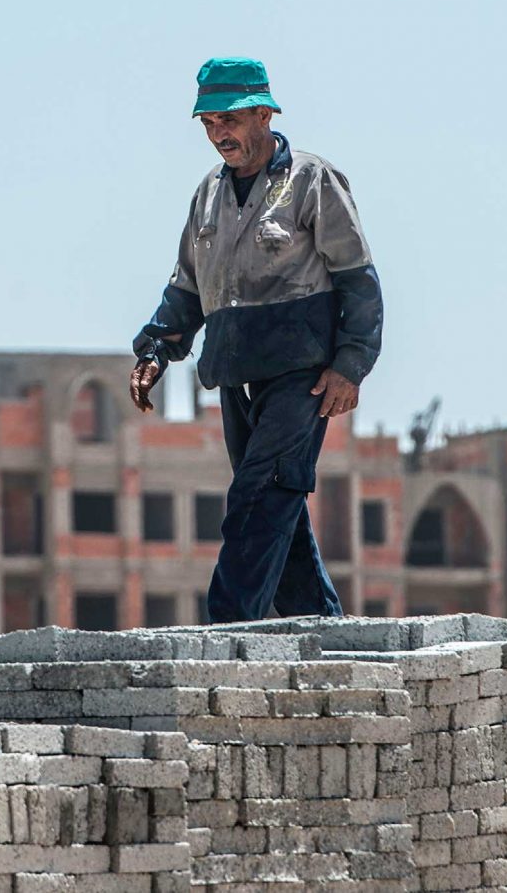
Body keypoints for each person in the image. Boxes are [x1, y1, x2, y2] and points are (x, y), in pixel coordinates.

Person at [129, 57, 383, 624]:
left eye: (230, 119)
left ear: (264, 113)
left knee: (257, 498)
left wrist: (352, 364)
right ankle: (323, 629)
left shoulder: (313, 181)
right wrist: (155, 350)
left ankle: (224, 631)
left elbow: (356, 278)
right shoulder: (207, 195)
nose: (219, 133)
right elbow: (188, 288)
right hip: (235, 375)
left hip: (302, 376)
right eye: (208, 123)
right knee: (279, 509)